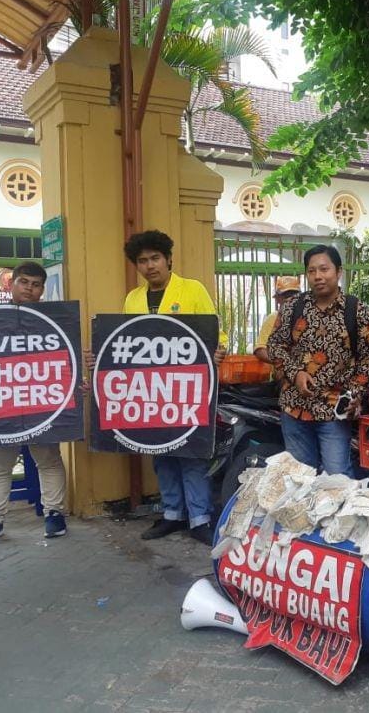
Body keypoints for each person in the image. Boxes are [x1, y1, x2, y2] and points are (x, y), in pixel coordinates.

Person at [122, 230, 227, 544]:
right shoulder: (133, 298)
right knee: (160, 451)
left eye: (155, 258)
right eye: (143, 261)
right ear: (137, 266)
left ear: (168, 259)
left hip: (188, 385)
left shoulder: (191, 289)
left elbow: (215, 330)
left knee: (190, 451)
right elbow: (127, 340)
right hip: (150, 388)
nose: (150, 265)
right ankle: (171, 514)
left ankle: (200, 518)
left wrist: (218, 349)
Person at [0, 262, 69, 546]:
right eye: (24, 282)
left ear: (42, 289)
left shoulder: (56, 320)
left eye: (36, 285)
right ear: (11, 283)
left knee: (48, 459)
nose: (29, 288)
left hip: (41, 400)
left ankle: (54, 514)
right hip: (2, 401)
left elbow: (67, 356)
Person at [267, 245, 369, 476]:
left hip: (334, 411)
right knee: (299, 480)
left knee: (338, 479)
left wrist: (353, 393)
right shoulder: (292, 308)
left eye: (324, 269)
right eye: (311, 271)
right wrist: (295, 373)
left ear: (338, 272)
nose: (318, 276)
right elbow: (275, 345)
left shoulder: (356, 310)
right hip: (295, 408)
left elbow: (368, 359)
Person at [253, 276, 301, 378]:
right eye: (286, 295)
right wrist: (286, 363)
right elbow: (260, 351)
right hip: (284, 379)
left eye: (294, 295)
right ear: (278, 299)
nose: (290, 299)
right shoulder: (273, 318)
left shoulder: (306, 317)